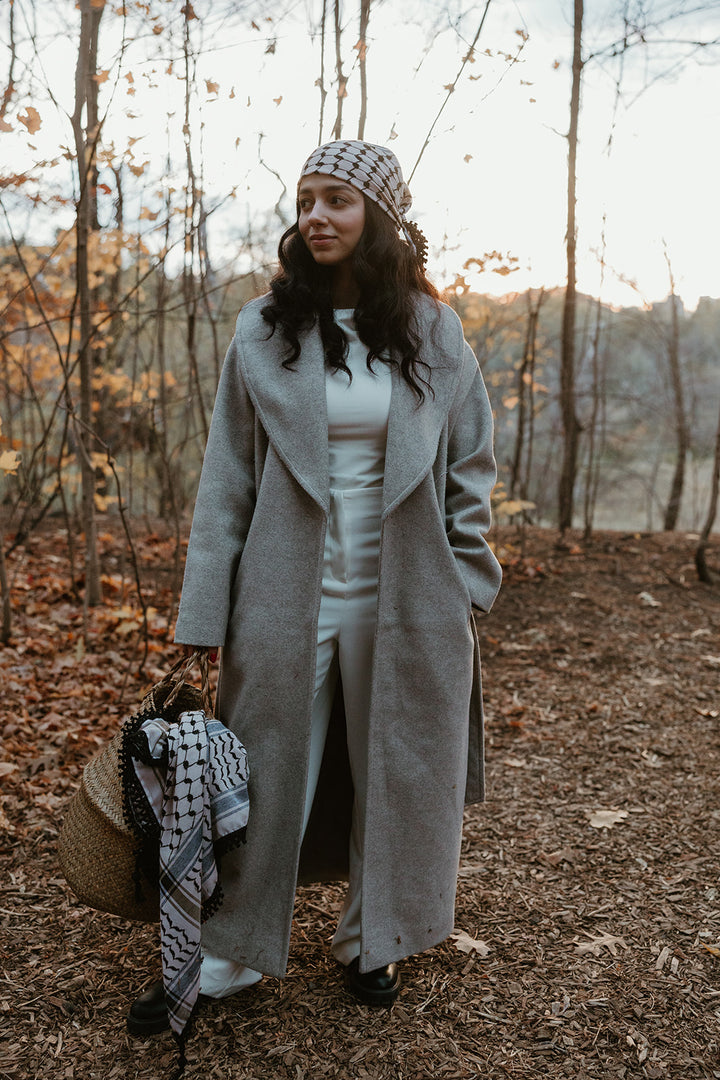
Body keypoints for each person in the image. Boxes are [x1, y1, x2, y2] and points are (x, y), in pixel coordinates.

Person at [127, 139, 502, 1034]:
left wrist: (467, 576)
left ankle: (374, 940)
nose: (316, 216)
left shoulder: (433, 333)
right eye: (305, 199)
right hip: (286, 599)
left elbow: (472, 465)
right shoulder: (265, 331)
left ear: (379, 215)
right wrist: (205, 610)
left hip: (409, 599)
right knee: (259, 778)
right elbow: (227, 483)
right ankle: (230, 954)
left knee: (400, 774)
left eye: (337, 198)